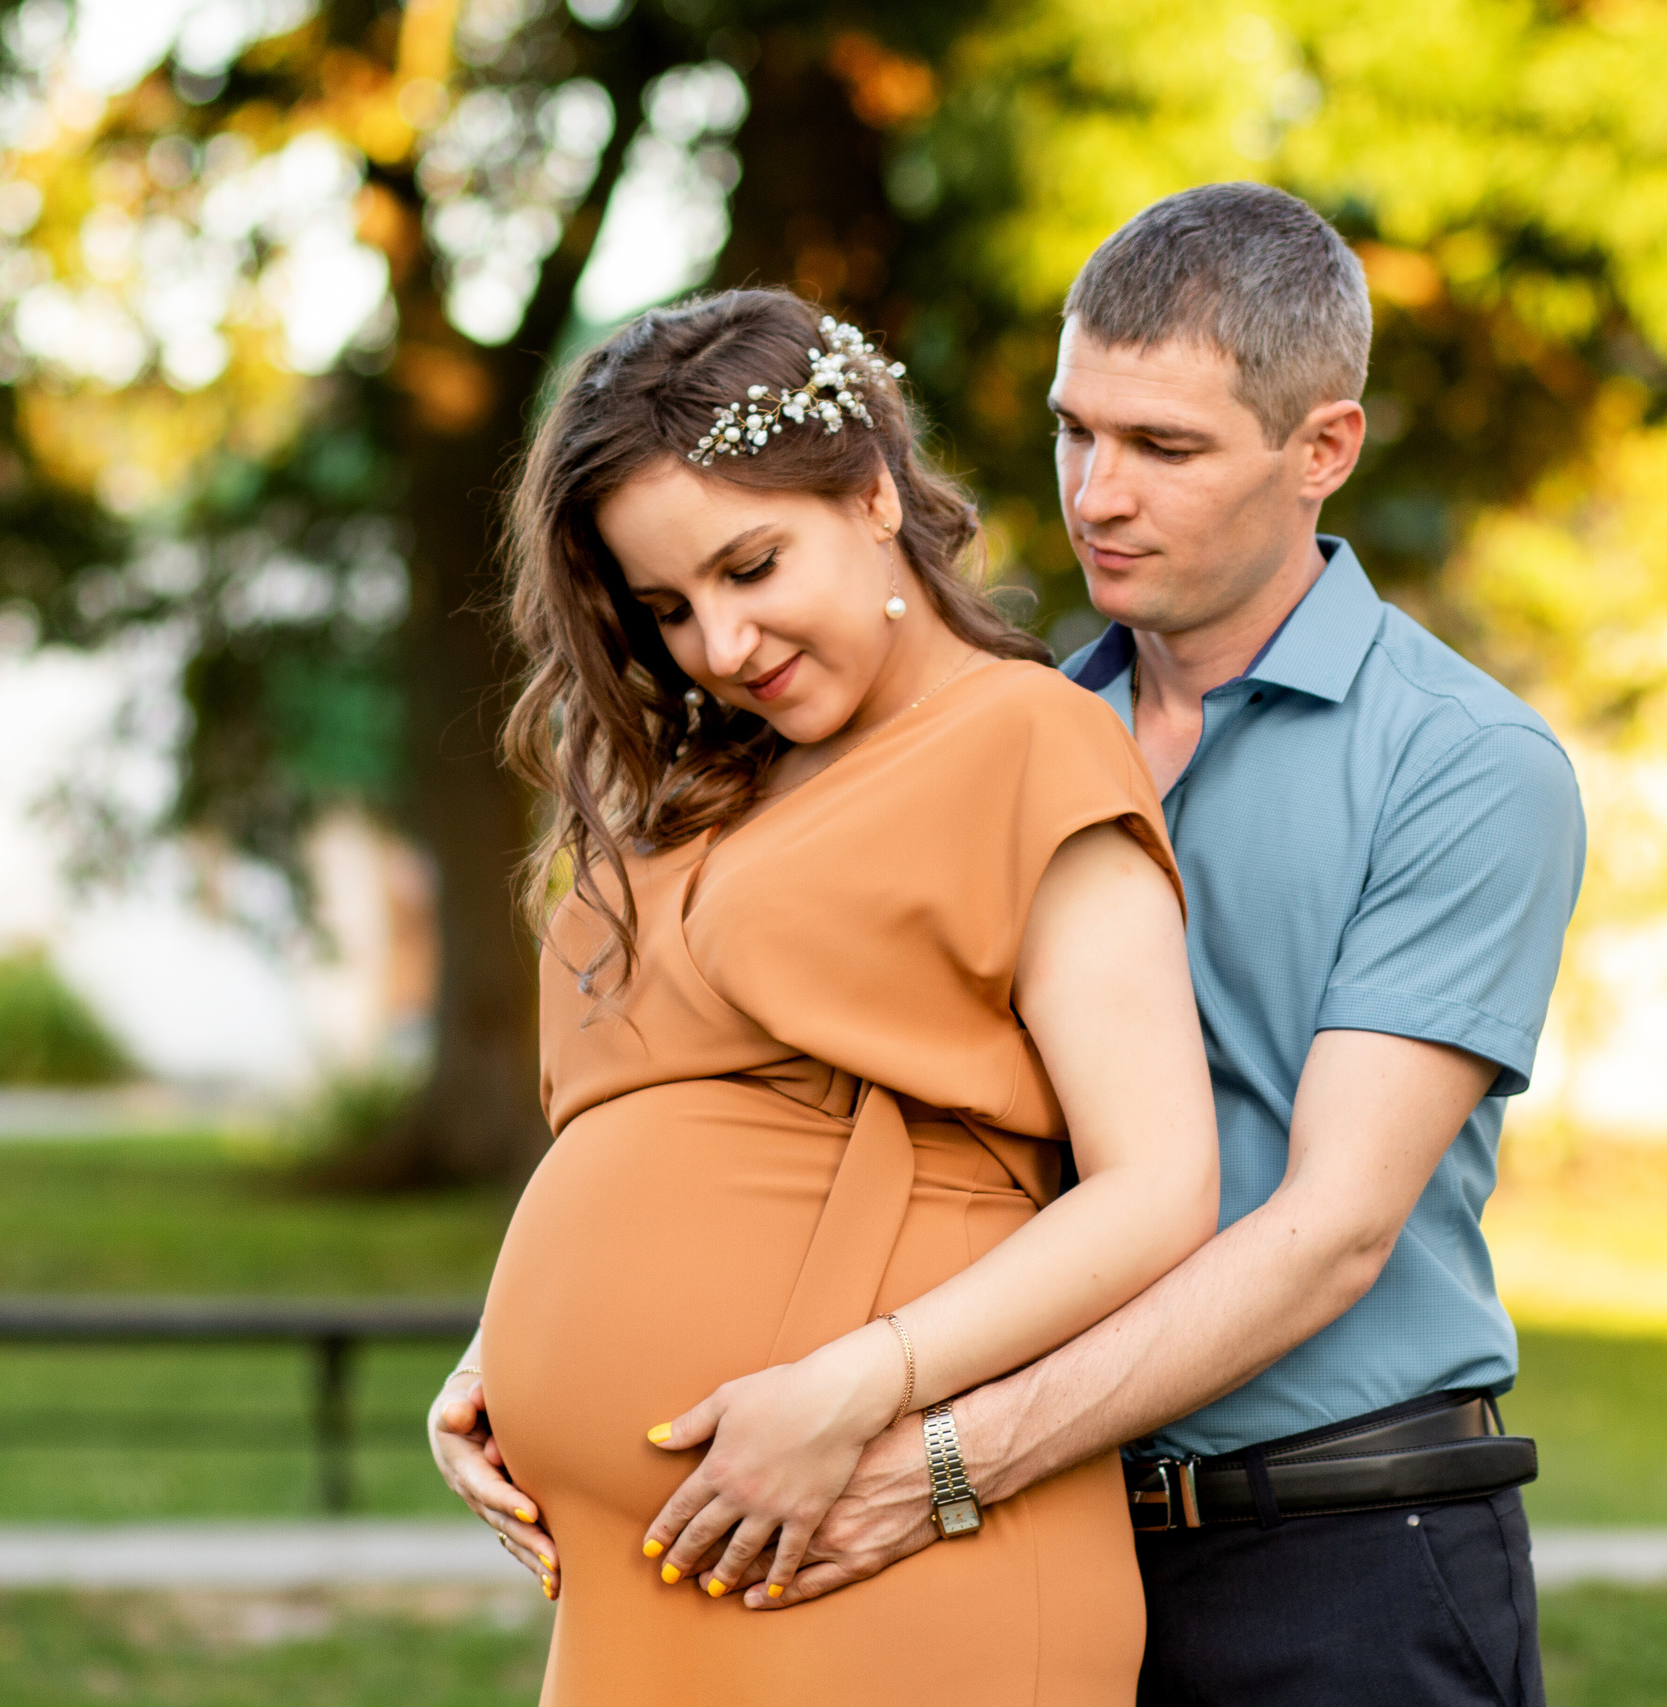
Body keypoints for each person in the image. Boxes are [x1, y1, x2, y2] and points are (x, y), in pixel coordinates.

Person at [737, 182, 1590, 1705]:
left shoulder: (1464, 764)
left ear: (1323, 450)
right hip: (1048, 1552)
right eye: (1078, 431)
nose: (1096, 494)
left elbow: (1330, 1233)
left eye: (1165, 449)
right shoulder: (1010, 738)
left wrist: (945, 1463)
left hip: (1340, 1558)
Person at [428, 286, 1220, 1705]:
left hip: (871, 1542)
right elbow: (659, 1104)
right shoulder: (706, 786)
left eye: (752, 568)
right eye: (668, 607)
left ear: (870, 496)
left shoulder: (1027, 740)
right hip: (647, 1581)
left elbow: (1160, 1188)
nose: (719, 646)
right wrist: (498, 1361)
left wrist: (860, 1388)